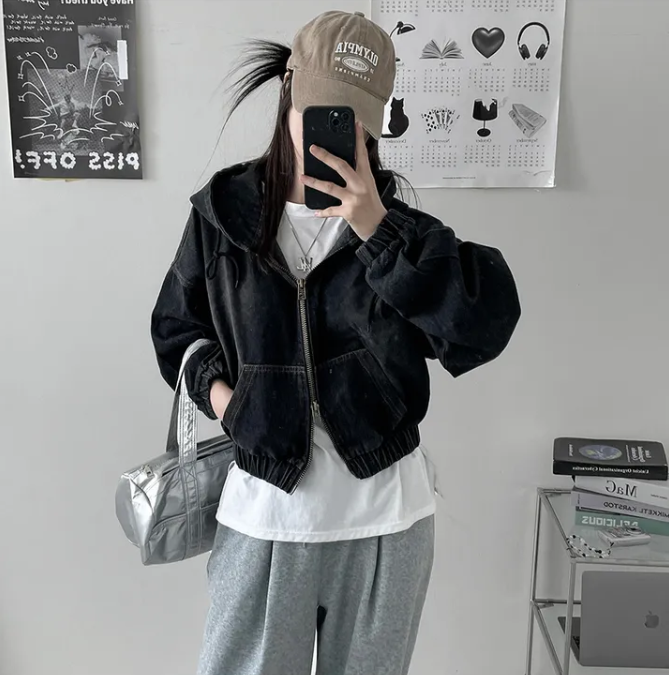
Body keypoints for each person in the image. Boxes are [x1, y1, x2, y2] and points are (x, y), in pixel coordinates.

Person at [151, 10, 520, 675]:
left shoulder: (400, 231)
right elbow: (177, 328)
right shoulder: (223, 215)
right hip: (265, 512)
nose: (337, 133)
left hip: (387, 520)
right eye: (324, 111)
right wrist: (230, 403)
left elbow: (481, 327)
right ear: (289, 91)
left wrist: (378, 232)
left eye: (354, 119)